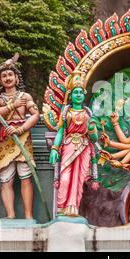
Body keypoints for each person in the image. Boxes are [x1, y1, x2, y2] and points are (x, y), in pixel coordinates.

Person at [0, 58, 40, 219]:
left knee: (25, 177)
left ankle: (28, 216)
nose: (8, 78)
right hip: (5, 140)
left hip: (22, 138)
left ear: (16, 78)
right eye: (3, 76)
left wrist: (21, 129)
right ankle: (10, 215)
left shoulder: (25, 96)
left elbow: (35, 115)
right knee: (6, 179)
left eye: (10, 74)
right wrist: (12, 105)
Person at [49, 72, 99, 217]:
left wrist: (91, 129)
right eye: (75, 92)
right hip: (69, 145)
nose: (78, 95)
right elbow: (60, 131)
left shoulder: (88, 114)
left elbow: (94, 138)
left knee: (79, 180)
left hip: (84, 147)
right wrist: (54, 148)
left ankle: (73, 208)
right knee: (64, 178)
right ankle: (60, 209)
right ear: (70, 95)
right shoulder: (66, 112)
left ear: (84, 95)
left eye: (80, 92)